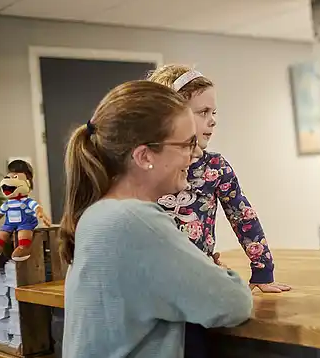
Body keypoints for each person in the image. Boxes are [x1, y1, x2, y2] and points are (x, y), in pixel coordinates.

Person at [60, 80, 253, 358]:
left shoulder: (98, 214)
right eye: (187, 144)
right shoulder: (135, 221)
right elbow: (233, 302)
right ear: (144, 156)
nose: (196, 153)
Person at [147, 65, 290, 358]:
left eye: (214, 113)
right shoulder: (148, 168)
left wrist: (263, 270)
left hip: (198, 283)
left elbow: (242, 216)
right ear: (171, 115)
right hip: (153, 287)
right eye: (203, 113)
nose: (212, 121)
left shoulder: (216, 167)